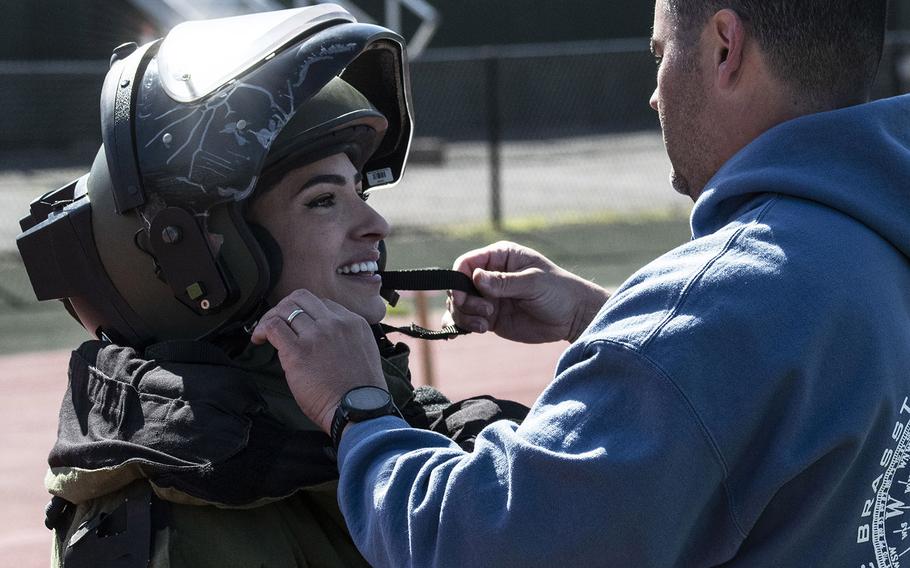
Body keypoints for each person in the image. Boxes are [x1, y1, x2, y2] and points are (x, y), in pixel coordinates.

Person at [254, 0, 910, 565]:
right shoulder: (877, 237)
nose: (655, 92)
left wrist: (358, 406)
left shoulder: (720, 306)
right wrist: (604, 317)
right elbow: (785, 379)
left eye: (660, 52)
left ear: (723, 47)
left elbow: (481, 545)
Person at [16, 6, 526, 567]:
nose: (375, 226)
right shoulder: (184, 523)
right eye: (324, 200)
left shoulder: (374, 427)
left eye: (362, 192)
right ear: (202, 260)